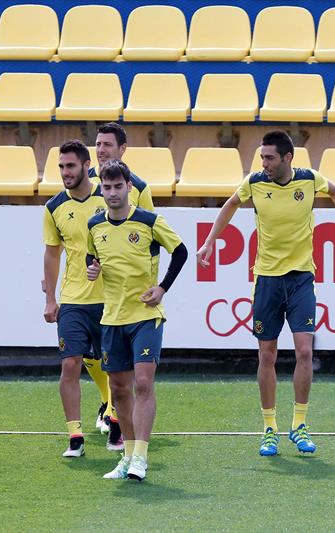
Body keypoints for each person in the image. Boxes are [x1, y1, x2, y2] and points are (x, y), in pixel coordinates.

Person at [197, 131, 335, 457]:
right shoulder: (254, 183)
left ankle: (300, 423)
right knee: (267, 355)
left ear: (288, 158)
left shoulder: (308, 180)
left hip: (301, 278)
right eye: (262, 157)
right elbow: (230, 205)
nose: (264, 164)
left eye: (270, 158)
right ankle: (269, 428)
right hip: (266, 280)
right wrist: (209, 241)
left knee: (304, 351)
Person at [87, 159, 188, 481]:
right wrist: (93, 269)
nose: (113, 193)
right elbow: (93, 257)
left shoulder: (149, 221)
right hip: (111, 318)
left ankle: (141, 458)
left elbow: (181, 251)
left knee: (143, 383)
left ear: (130, 187)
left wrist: (162, 288)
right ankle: (127, 456)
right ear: (101, 189)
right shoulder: (94, 225)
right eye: (107, 187)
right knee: (118, 391)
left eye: (118, 186)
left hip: (146, 316)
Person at [43, 140, 116, 457]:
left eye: (70, 166)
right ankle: (75, 435)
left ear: (87, 166)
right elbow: (51, 254)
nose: (64, 172)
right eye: (60, 167)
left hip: (112, 298)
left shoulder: (110, 196)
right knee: (70, 364)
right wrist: (50, 298)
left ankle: (116, 421)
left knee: (116, 367)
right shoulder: (54, 207)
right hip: (73, 300)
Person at [86, 121, 155, 448]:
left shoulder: (138, 187)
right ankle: (108, 403)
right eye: (97, 144)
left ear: (123, 150)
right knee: (89, 354)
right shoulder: (84, 184)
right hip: (90, 285)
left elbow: (151, 237)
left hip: (127, 293)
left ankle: (118, 422)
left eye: (107, 145)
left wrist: (152, 283)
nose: (100, 150)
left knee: (129, 370)